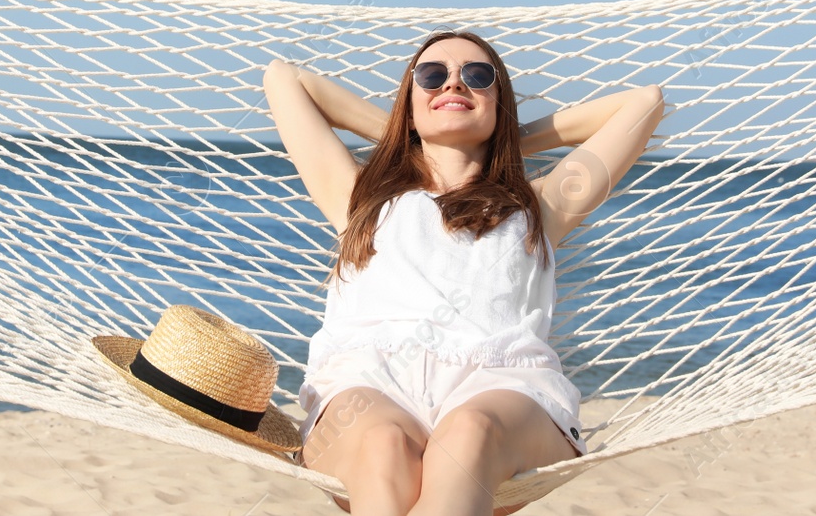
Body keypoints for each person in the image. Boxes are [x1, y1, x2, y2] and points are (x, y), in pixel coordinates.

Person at [263, 29, 665, 516]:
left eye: (477, 77)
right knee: (384, 443)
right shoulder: (360, 199)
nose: (453, 85)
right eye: (432, 76)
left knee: (469, 432)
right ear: (408, 99)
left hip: (501, 387)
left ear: (501, 102)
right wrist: (403, 132)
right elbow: (284, 79)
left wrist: (505, 138)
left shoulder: (539, 206)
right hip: (369, 383)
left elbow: (644, 103)